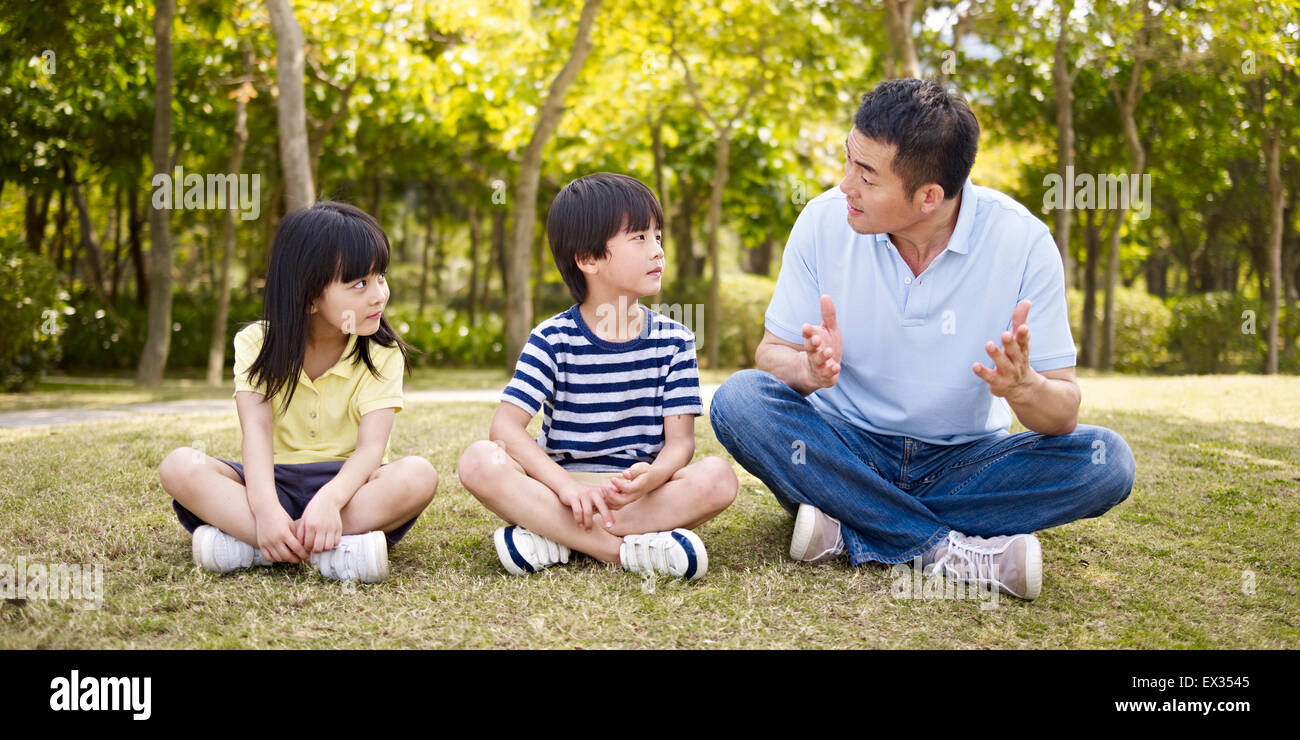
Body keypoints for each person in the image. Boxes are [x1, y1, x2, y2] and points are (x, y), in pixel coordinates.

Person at [709, 79, 1136, 600]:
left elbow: (1062, 413)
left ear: (929, 197)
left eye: (866, 176)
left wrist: (1024, 387)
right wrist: (807, 372)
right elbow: (770, 355)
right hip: (845, 447)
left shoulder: (1022, 242)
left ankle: (851, 527)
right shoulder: (823, 222)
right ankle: (944, 550)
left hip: (964, 463)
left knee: (1106, 461)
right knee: (738, 400)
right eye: (849, 161)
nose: (845, 185)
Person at [458, 173, 737, 580]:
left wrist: (652, 477)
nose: (658, 251)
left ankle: (554, 537)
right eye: (640, 238)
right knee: (479, 460)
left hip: (638, 494)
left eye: (658, 236)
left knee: (718, 478)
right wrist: (566, 488)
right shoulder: (552, 338)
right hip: (562, 489)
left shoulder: (675, 341)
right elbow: (506, 427)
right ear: (588, 259)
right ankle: (621, 551)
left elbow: (680, 444)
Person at [158, 201, 438, 584]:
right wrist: (267, 509)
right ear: (308, 297)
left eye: (381, 277)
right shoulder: (256, 343)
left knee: (418, 475)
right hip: (273, 481)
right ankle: (321, 549)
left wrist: (330, 500)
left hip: (350, 492)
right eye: (359, 284)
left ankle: (257, 548)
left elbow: (372, 450)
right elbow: (255, 433)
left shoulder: (381, 352)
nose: (379, 295)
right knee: (178, 465)